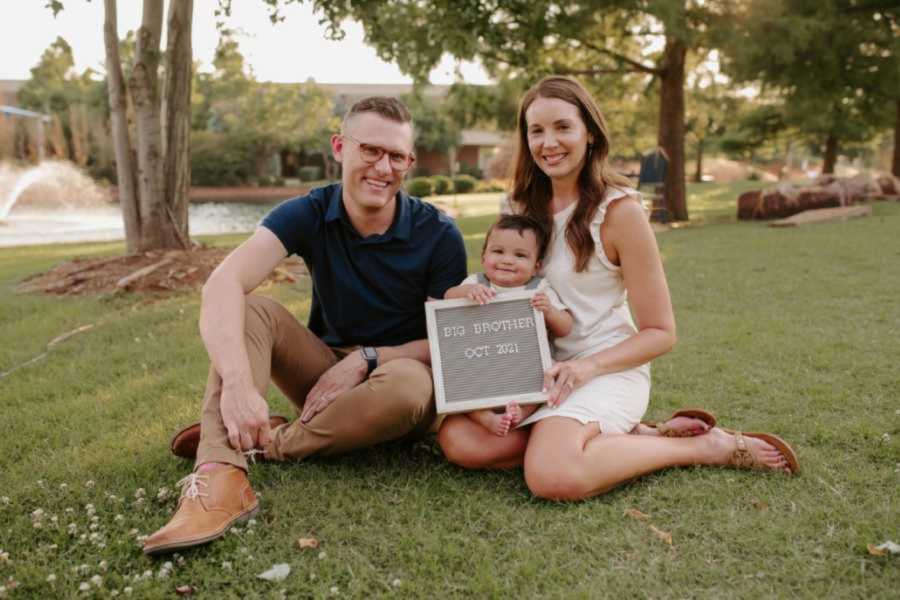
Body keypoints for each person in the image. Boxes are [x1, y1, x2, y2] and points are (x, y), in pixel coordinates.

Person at [437, 76, 799, 496]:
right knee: (459, 440)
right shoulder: (519, 208)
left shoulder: (620, 211)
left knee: (551, 475)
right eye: (536, 131)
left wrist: (586, 368)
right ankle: (633, 436)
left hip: (605, 368)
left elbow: (660, 333)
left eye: (562, 127)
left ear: (589, 133)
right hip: (539, 374)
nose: (548, 142)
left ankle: (704, 447)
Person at [143, 96, 467, 555]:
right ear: (340, 147)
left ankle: (268, 441)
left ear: (409, 162)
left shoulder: (439, 233)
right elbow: (223, 283)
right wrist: (237, 383)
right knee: (253, 309)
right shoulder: (310, 212)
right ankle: (221, 475)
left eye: (396, 156)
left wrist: (366, 359)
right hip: (320, 372)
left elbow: (446, 342)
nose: (383, 167)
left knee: (410, 386)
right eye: (370, 150)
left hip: (400, 380)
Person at [444, 214, 573, 436]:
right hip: (482, 358)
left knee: (550, 375)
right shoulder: (476, 283)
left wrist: (549, 311)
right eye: (498, 252)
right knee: (458, 378)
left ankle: (521, 412)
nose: (507, 260)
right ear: (484, 257)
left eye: (520, 255)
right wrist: (467, 293)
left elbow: (565, 327)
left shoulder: (539, 288)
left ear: (536, 266)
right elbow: (448, 297)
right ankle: (485, 418)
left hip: (526, 361)